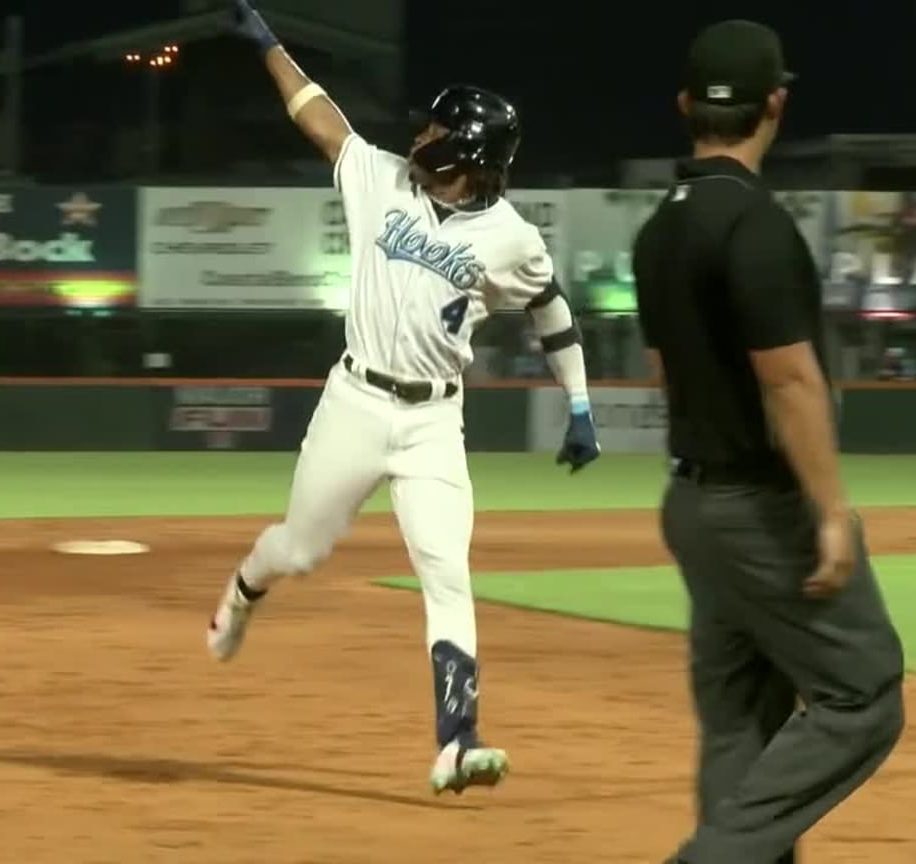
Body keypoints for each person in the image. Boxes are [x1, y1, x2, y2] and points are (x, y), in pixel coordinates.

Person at [206, 0, 601, 797]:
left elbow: (550, 307)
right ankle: (246, 588)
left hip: (431, 422)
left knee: (446, 571)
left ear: (464, 149)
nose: (418, 137)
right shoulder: (380, 179)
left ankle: (457, 743)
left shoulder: (514, 239)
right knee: (302, 550)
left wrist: (580, 401)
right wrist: (269, 45)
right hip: (354, 404)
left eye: (433, 132)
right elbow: (320, 117)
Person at [631, 20, 906, 863]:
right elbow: (789, 380)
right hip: (759, 508)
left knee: (740, 723)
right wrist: (829, 513)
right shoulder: (756, 225)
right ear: (775, 105)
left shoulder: (659, 230)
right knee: (864, 692)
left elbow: (665, 375)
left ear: (685, 107)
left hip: (693, 503)